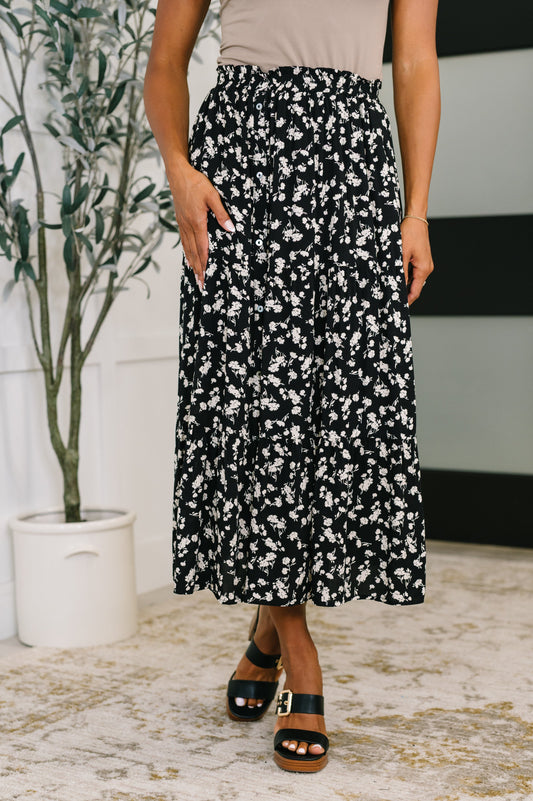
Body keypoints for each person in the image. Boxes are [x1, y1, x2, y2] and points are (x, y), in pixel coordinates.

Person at [144, 0, 440, 774]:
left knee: (335, 401)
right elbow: (165, 62)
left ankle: (266, 632)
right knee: (253, 401)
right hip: (241, 165)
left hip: (350, 165)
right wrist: (180, 168)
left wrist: (416, 211)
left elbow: (411, 62)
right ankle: (300, 651)